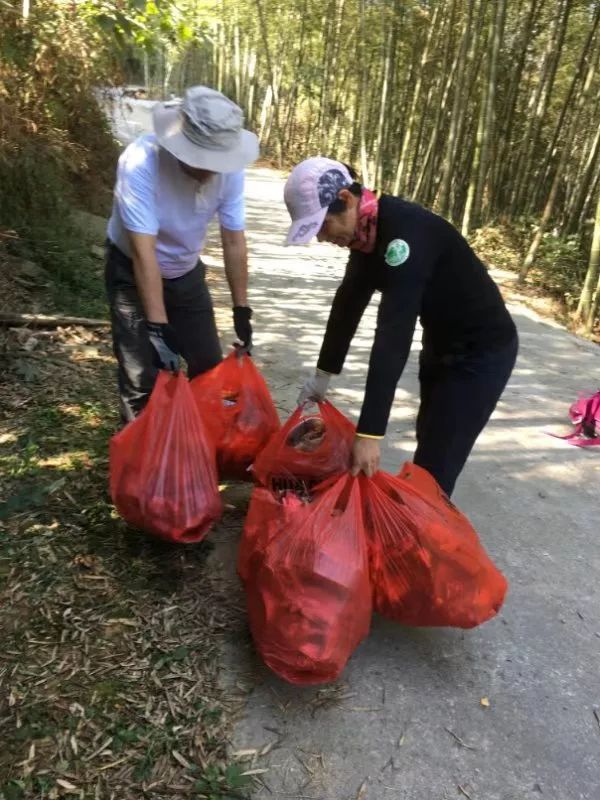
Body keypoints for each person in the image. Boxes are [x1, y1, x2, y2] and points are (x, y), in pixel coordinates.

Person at [287, 157, 518, 496]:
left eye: (322, 226)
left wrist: (369, 434)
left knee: (434, 470)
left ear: (347, 201)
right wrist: (321, 376)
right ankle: (411, 527)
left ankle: (423, 539)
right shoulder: (366, 236)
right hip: (441, 345)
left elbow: (393, 335)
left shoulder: (404, 236)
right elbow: (347, 306)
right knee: (430, 438)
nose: (322, 238)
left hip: (482, 356)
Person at [105, 85, 258, 422]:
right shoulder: (141, 162)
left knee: (208, 367)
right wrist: (158, 329)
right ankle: (140, 464)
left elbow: (233, 240)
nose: (209, 169)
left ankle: (197, 451)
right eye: (202, 159)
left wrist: (241, 310)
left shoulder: (230, 170)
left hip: (186, 271)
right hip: (132, 271)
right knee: (141, 377)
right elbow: (144, 253)